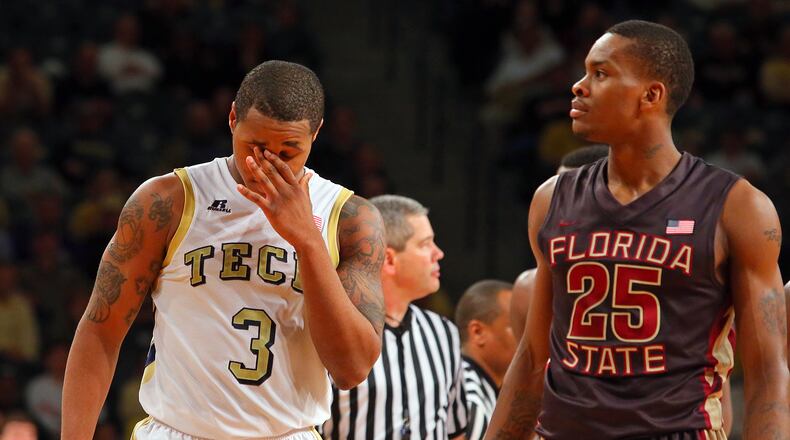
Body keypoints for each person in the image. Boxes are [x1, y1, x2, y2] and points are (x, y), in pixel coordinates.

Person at [486, 20, 789, 439]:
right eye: (584, 71)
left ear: (651, 95)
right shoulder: (551, 198)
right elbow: (535, 356)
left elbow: (767, 372)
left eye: (601, 73)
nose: (579, 86)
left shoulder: (737, 207)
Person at [62, 60, 386, 439]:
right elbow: (101, 330)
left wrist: (308, 243)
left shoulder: (349, 218)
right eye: (256, 146)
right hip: (177, 430)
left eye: (288, 152)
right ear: (232, 119)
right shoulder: (169, 201)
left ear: (316, 134)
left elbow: (351, 369)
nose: (267, 163)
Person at [322, 195, 467, 439]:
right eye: (425, 244)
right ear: (388, 259)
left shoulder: (443, 332)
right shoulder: (336, 332)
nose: (438, 253)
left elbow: (456, 431)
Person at [454, 280, 516, 440]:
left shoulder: (491, 390)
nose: (527, 336)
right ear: (478, 332)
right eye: (516, 325)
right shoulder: (469, 400)